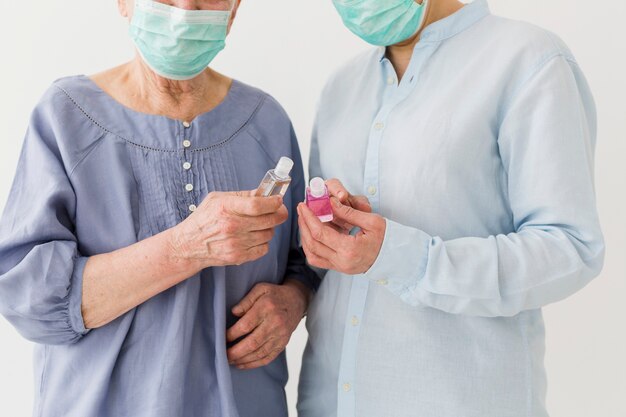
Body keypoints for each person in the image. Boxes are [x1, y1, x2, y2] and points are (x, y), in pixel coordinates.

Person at [0, 1, 318, 416]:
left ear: (234, 8)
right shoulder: (66, 116)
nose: (186, 9)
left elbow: (304, 261)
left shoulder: (265, 122)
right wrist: (186, 246)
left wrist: (293, 301)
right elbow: (30, 300)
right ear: (124, 4)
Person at [297, 0, 605, 416]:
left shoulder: (530, 60)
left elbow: (570, 249)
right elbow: (325, 269)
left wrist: (407, 259)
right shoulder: (340, 87)